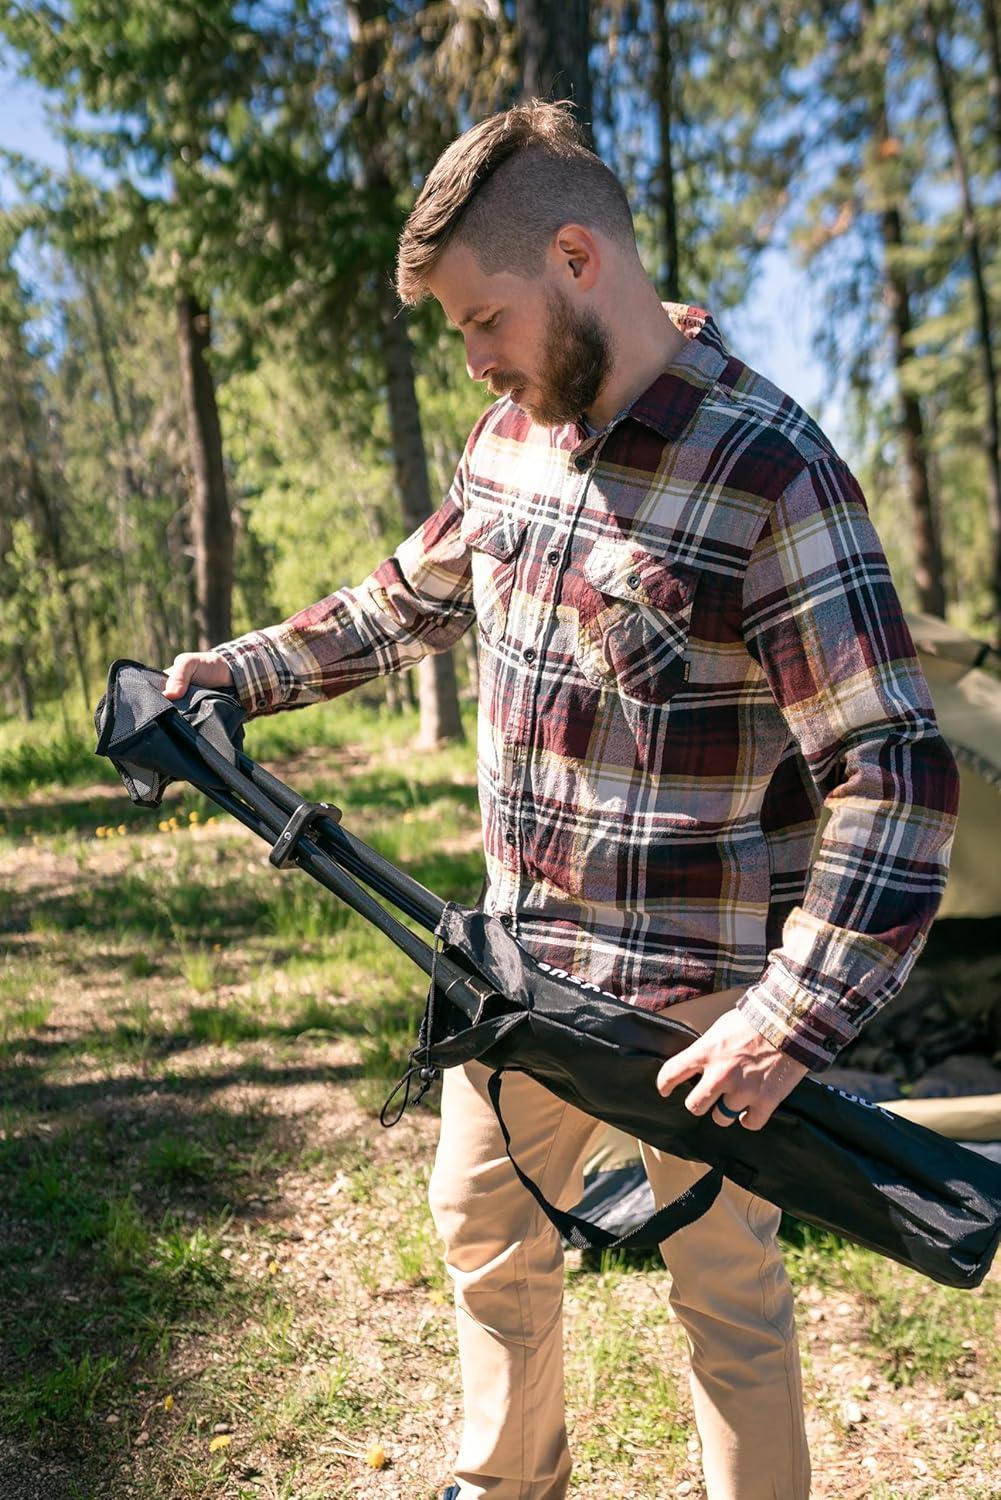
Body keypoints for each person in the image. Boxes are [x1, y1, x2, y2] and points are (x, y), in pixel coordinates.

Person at [164, 102, 959, 1500]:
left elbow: (892, 768)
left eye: (485, 318)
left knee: (728, 1298)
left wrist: (790, 1018)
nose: (474, 357)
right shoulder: (507, 440)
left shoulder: (770, 469)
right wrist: (241, 670)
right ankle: (507, 1482)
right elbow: (402, 604)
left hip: (700, 1010)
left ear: (578, 261)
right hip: (517, 972)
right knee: (482, 1230)